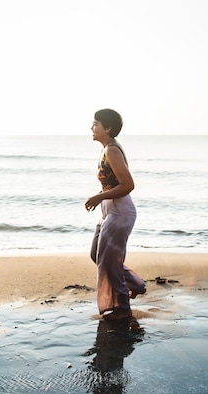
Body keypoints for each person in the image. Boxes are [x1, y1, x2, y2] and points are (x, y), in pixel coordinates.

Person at [85, 109, 147, 321]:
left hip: (120, 211)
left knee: (110, 261)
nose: (92, 128)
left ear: (107, 128)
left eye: (95, 124)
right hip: (109, 211)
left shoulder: (112, 150)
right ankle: (136, 284)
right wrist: (101, 200)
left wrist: (98, 197)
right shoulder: (107, 150)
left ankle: (121, 308)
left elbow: (128, 185)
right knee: (97, 254)